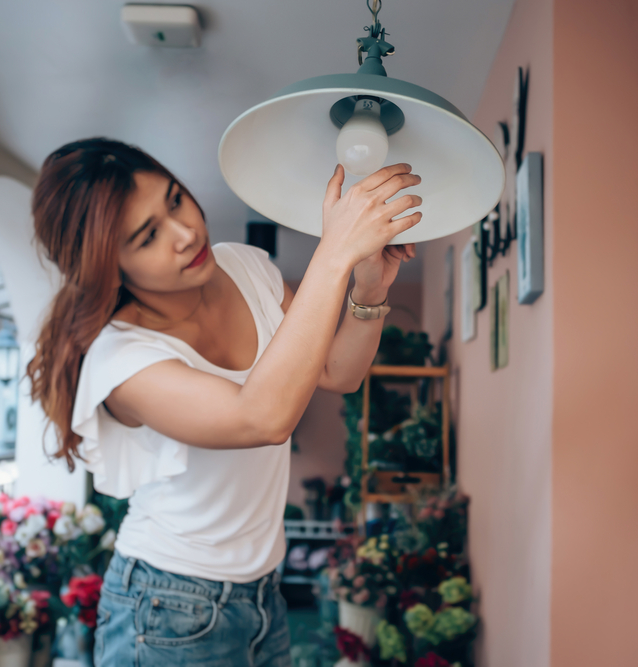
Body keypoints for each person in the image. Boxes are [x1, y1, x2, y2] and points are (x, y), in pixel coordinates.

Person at [26, 137, 422, 666]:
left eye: (174, 200)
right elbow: (262, 417)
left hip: (263, 592)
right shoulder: (122, 359)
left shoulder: (244, 267)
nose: (186, 233)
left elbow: (336, 371)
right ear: (108, 267)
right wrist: (334, 253)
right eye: (148, 235)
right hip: (168, 607)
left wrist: (370, 286)